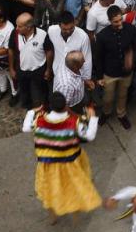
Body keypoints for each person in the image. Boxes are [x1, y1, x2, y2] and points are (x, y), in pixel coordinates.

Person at [21, 92, 102, 220]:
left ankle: (53, 216)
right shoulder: (74, 122)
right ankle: (74, 210)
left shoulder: (39, 120)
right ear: (65, 106)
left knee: (50, 190)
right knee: (73, 187)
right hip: (71, 164)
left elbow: (25, 128)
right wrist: (92, 118)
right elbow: (90, 136)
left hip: (48, 166)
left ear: (49, 106)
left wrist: (32, 111)